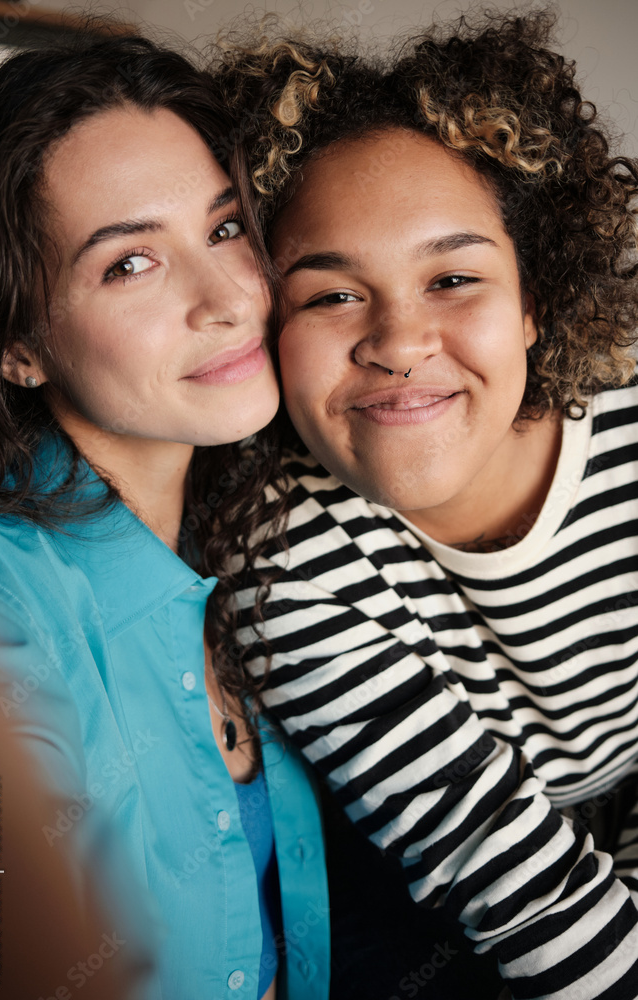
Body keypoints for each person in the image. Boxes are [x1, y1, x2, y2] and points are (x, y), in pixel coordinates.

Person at [212, 11, 638, 998]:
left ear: (535, 298)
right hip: (461, 886)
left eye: (451, 278)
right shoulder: (283, 560)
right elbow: (506, 870)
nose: (399, 340)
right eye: (329, 297)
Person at [0, 34, 330, 1000]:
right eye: (130, 263)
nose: (225, 300)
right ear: (17, 348)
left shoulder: (255, 530)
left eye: (223, 230)